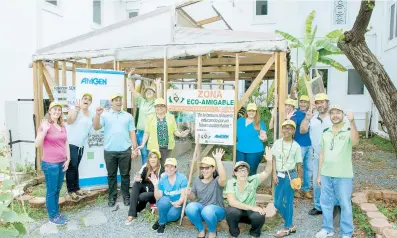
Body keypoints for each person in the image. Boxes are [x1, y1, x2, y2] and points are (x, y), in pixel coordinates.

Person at [315, 106, 358, 238]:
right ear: (329, 116)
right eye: (332, 113)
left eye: (338, 113)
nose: (335, 115)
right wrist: (318, 174)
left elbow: (355, 142)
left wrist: (352, 122)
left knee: (345, 204)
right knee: (326, 203)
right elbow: (322, 154)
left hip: (343, 174)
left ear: (343, 114)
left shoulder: (349, 129)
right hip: (326, 174)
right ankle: (327, 228)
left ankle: (347, 232)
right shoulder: (326, 132)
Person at [93, 93, 138, 207]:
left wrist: (135, 148)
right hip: (109, 151)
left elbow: (132, 132)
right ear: (111, 102)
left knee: (125, 175)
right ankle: (112, 197)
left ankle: (126, 197)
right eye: (116, 100)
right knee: (111, 175)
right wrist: (97, 115)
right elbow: (96, 127)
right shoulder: (105, 115)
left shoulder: (128, 116)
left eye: (120, 100)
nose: (118, 102)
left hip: (125, 151)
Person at [224, 148, 273, 238]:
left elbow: (266, 172)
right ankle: (234, 233)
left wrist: (269, 161)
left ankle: (254, 233)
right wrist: (253, 208)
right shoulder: (231, 182)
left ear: (248, 172)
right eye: (239, 170)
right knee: (231, 211)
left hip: (250, 213)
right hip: (237, 212)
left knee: (260, 215)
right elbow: (232, 202)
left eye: (245, 170)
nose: (242, 173)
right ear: (235, 173)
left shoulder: (253, 180)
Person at [35, 102, 70, 225]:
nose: (57, 112)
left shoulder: (62, 125)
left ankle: (56, 212)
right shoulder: (45, 125)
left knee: (57, 189)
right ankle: (53, 216)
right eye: (54, 109)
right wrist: (44, 130)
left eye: (59, 110)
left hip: (61, 163)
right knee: (52, 190)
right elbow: (37, 144)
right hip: (50, 164)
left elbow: (66, 143)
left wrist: (68, 159)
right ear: (49, 111)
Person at [300, 93, 331, 216]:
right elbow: (302, 130)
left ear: (327, 102)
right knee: (317, 182)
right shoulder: (312, 117)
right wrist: (307, 118)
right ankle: (318, 206)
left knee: (332, 181)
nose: (320, 104)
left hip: (333, 157)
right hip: (318, 155)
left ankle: (333, 205)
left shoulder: (333, 116)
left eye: (323, 102)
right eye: (317, 102)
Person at [185, 148, 227, 238]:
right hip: (203, 209)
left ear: (213, 169)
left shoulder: (217, 181)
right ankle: (201, 229)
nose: (204, 170)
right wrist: (188, 194)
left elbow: (223, 178)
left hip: (217, 211)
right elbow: (193, 197)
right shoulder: (197, 180)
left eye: (207, 168)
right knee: (189, 207)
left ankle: (212, 231)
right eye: (202, 168)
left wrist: (218, 160)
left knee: (207, 210)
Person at [136, 98, 189, 168]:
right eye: (157, 106)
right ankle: (155, 179)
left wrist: (181, 134)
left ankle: (164, 178)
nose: (159, 107)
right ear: (155, 107)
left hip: (167, 147)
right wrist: (143, 144)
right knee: (154, 167)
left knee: (166, 166)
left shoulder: (171, 117)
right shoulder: (150, 118)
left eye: (162, 105)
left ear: (165, 107)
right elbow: (147, 132)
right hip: (154, 147)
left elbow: (175, 131)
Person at [272, 120, 303, 237]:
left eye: (290, 128)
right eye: (285, 128)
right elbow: (274, 159)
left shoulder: (296, 146)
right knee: (277, 203)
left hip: (291, 176)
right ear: (282, 129)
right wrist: (274, 174)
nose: (287, 130)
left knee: (288, 202)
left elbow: (299, 165)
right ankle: (290, 224)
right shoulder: (277, 143)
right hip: (279, 176)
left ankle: (286, 227)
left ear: (294, 131)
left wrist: (299, 179)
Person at [65, 93, 93, 201]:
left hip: (81, 145)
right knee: (72, 167)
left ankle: (76, 188)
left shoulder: (91, 114)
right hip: (71, 143)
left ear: (90, 102)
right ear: (81, 100)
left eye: (89, 99)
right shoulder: (75, 110)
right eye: (85, 98)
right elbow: (69, 121)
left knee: (76, 166)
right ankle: (71, 190)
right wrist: (76, 110)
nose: (87, 100)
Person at [128, 69, 159, 165]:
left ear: (154, 93)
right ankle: (145, 174)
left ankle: (153, 174)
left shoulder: (157, 103)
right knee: (145, 154)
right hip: (141, 132)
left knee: (153, 154)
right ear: (144, 94)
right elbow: (133, 90)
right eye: (147, 91)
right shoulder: (141, 101)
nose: (148, 92)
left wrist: (157, 86)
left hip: (153, 132)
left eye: (151, 91)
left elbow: (160, 96)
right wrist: (129, 76)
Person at [149, 158, 188, 234]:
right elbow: (158, 197)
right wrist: (156, 186)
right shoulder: (163, 178)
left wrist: (179, 202)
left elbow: (184, 196)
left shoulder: (182, 178)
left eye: (172, 166)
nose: (169, 169)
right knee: (163, 201)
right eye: (167, 166)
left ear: (175, 168)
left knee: (173, 216)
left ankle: (160, 220)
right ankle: (162, 224)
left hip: (178, 202)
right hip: (166, 202)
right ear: (165, 167)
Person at [125, 149, 162, 225]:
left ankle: (140, 207)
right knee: (136, 184)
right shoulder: (146, 166)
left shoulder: (161, 170)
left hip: (155, 193)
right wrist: (137, 178)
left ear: (158, 159)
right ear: (148, 159)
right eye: (151, 157)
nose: (153, 159)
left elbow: (161, 188)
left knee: (142, 196)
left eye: (155, 157)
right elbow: (139, 176)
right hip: (146, 189)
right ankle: (131, 214)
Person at [290, 95, 313, 199]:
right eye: (301, 102)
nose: (303, 104)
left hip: (310, 145)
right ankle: (296, 189)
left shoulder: (313, 114)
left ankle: (306, 189)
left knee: (309, 169)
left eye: (305, 102)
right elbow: (292, 126)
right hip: (299, 145)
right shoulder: (296, 114)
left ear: (308, 104)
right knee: (297, 168)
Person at [236, 103, 267, 176]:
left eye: (253, 110)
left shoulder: (260, 123)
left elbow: (264, 137)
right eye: (249, 110)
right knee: (239, 171)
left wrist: (264, 138)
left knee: (251, 172)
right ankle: (241, 187)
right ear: (246, 111)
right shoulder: (240, 121)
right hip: (240, 150)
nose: (251, 112)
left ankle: (251, 187)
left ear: (256, 112)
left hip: (255, 151)